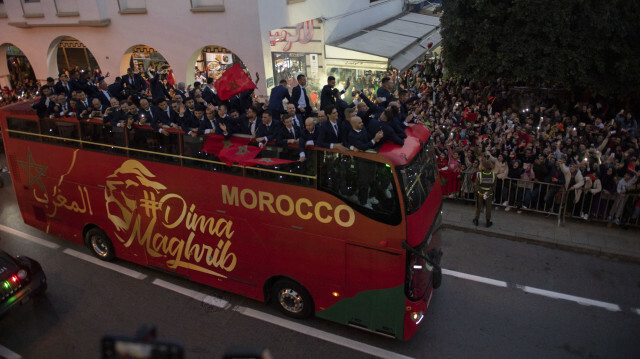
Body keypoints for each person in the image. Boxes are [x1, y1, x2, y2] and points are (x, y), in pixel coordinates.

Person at [473, 159, 497, 227]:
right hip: (489, 195)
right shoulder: (494, 175)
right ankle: (488, 222)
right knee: (488, 208)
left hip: (480, 194)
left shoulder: (479, 175)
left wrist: (483, 193)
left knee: (478, 207)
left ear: (484, 167)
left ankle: (476, 220)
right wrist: (487, 193)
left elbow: (476, 185)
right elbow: (494, 186)